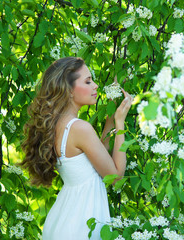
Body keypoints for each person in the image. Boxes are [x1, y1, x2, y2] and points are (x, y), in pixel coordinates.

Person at [20, 57, 132, 239]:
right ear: (69, 90)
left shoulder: (59, 124)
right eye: (88, 81)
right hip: (81, 225)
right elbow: (115, 177)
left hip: (65, 219)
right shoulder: (80, 128)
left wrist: (111, 117)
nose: (95, 86)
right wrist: (120, 123)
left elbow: (99, 158)